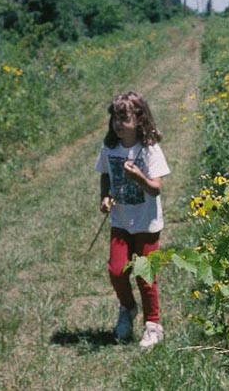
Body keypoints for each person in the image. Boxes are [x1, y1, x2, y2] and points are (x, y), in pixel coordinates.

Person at [95, 91, 171, 349]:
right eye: (115, 118)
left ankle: (153, 324)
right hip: (120, 221)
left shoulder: (149, 149)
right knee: (116, 270)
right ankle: (127, 308)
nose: (118, 124)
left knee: (145, 275)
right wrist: (105, 196)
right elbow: (105, 174)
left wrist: (138, 177)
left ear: (139, 120)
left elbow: (156, 188)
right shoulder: (110, 147)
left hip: (146, 224)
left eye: (123, 118)